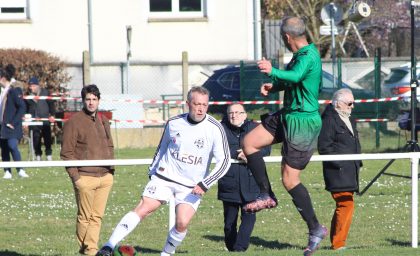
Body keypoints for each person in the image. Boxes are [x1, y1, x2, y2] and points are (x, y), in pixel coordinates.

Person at [97, 86, 231, 256]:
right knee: (144, 208)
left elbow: (224, 162)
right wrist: (153, 172)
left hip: (192, 185)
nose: (200, 108)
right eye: (196, 104)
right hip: (165, 177)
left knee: (182, 222)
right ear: (188, 103)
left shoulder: (214, 128)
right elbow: (161, 149)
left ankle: (166, 253)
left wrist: (205, 183)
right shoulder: (174, 123)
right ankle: (108, 246)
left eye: (204, 105)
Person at [241, 16, 327, 255]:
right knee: (249, 142)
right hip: (287, 114)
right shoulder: (299, 57)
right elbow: (292, 82)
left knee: (289, 180)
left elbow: (298, 77)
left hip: (303, 122)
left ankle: (315, 228)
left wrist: (272, 70)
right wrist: (274, 85)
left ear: (287, 38)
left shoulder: (309, 56)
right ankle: (266, 194)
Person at [60, 84, 115, 255]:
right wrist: (76, 178)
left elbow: (109, 145)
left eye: (94, 99)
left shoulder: (103, 120)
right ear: (83, 101)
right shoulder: (74, 122)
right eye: (88, 99)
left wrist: (111, 171)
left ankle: (90, 248)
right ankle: (90, 250)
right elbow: (66, 153)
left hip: (105, 177)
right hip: (84, 177)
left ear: (99, 100)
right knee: (85, 217)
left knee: (97, 217)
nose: (91, 103)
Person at [217, 103, 271, 252]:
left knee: (249, 217)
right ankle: (232, 248)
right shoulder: (220, 129)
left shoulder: (255, 128)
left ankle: (240, 249)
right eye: (231, 113)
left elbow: (267, 148)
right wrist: (237, 153)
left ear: (245, 114)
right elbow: (216, 149)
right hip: (229, 182)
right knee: (229, 223)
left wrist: (252, 154)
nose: (234, 115)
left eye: (238, 112)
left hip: (251, 180)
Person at [318, 88, 362, 251]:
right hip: (338, 172)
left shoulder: (347, 118)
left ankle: (336, 241)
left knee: (343, 205)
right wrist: (340, 164)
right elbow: (324, 147)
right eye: (349, 103)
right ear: (338, 104)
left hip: (350, 171)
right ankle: (338, 244)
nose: (352, 106)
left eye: (353, 103)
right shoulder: (329, 120)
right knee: (346, 205)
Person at [0, 64, 28, 179]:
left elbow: (22, 107)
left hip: (11, 126)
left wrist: (13, 122)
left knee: (12, 146)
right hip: (2, 126)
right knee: (4, 148)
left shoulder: (14, 90)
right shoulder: (2, 91)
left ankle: (20, 170)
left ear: (2, 78)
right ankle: (7, 171)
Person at [25, 77, 56, 161]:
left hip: (45, 120)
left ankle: (49, 154)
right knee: (36, 138)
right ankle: (38, 155)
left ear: (37, 85)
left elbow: (51, 105)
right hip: (34, 121)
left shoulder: (45, 93)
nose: (31, 88)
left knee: (47, 137)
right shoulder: (27, 95)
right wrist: (26, 118)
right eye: (30, 86)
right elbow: (25, 108)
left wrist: (52, 115)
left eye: (33, 86)